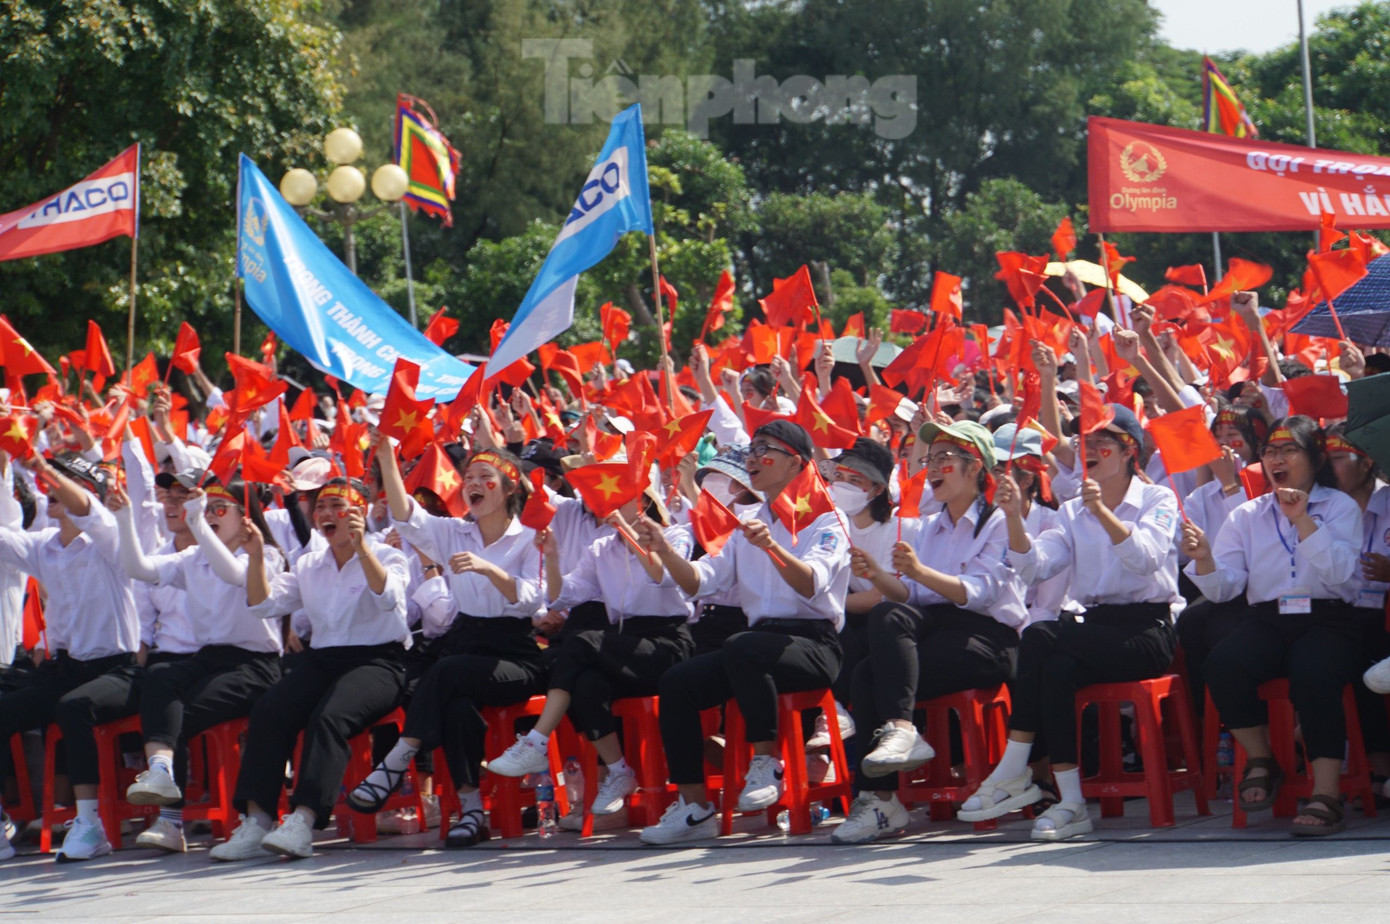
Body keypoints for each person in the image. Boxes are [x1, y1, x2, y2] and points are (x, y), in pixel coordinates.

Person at [957, 402, 1181, 840]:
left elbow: (1146, 559)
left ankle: (1015, 763)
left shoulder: (1157, 498)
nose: (1090, 450)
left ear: (1129, 449)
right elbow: (1035, 566)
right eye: (1085, 443)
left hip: (1147, 630)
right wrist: (1015, 518)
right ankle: (1071, 800)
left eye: (1102, 442)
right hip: (1095, 628)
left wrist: (1104, 514)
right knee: (1056, 667)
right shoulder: (1073, 509)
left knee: (1041, 635)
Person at [633, 421, 850, 845]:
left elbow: (810, 584)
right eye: (751, 449)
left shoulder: (827, 518)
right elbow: (700, 581)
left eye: (765, 450)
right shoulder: (745, 521)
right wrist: (661, 550)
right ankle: (695, 805)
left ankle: (766, 761)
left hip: (812, 643)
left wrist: (772, 546)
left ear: (796, 462)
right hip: (755, 646)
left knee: (742, 646)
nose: (752, 459)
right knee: (678, 682)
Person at [833, 421, 1025, 844]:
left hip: (987, 638)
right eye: (930, 458)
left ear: (975, 468)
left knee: (875, 671)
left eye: (944, 459)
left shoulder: (995, 522)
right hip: (937, 630)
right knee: (872, 656)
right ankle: (881, 793)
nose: (933, 467)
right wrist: (879, 575)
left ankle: (894, 751)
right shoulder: (925, 525)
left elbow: (979, 592)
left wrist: (920, 570)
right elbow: (907, 595)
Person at [345, 439, 542, 849]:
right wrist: (386, 460)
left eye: (485, 478)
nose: (473, 484)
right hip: (467, 645)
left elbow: (534, 599)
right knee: (455, 705)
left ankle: (397, 760)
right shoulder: (454, 532)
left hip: (515, 654)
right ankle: (471, 811)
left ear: (509, 490)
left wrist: (490, 569)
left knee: (446, 672)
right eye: (467, 477)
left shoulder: (531, 539)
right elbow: (408, 517)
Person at [207, 478, 411, 861]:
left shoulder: (388, 555)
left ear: (360, 513)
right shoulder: (309, 563)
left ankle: (304, 819)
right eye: (321, 507)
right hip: (324, 659)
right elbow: (263, 604)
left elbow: (388, 599)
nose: (327, 514)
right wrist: (254, 557)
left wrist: (361, 547)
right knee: (269, 709)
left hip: (379, 661)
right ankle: (256, 820)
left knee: (329, 717)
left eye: (338, 506)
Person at [1185, 416, 1364, 836]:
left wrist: (1303, 520)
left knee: (1314, 672)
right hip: (1267, 618)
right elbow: (1223, 589)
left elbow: (1341, 574)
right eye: (1269, 452)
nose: (1276, 460)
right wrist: (1207, 559)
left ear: (1315, 458)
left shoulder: (1338, 507)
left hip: (1328, 618)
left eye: (1289, 451)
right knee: (1224, 663)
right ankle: (1262, 758)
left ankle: (1326, 793)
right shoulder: (1247, 514)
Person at [484, 489, 694, 822]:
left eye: (619, 497)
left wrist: (628, 531)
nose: (608, 504)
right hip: (624, 644)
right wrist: (551, 557)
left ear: (642, 501)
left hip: (666, 643)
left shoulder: (675, 535)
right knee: (586, 683)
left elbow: (663, 576)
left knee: (581, 643)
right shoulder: (601, 548)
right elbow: (563, 595)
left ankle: (537, 739)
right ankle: (618, 770)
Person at [112, 476, 285, 849]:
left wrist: (196, 524)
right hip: (208, 658)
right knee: (159, 678)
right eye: (207, 509)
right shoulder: (193, 557)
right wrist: (124, 517)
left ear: (246, 517)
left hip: (255, 663)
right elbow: (139, 569)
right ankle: (160, 774)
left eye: (219, 510)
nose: (209, 516)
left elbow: (234, 575)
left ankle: (211, 820)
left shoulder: (265, 554)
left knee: (182, 715)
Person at [0, 453, 140, 862]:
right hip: (64, 669)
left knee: (74, 707)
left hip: (117, 669)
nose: (51, 489)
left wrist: (39, 464)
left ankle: (90, 824)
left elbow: (86, 510)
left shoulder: (108, 538)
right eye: (50, 480)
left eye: (64, 481)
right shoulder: (45, 545)